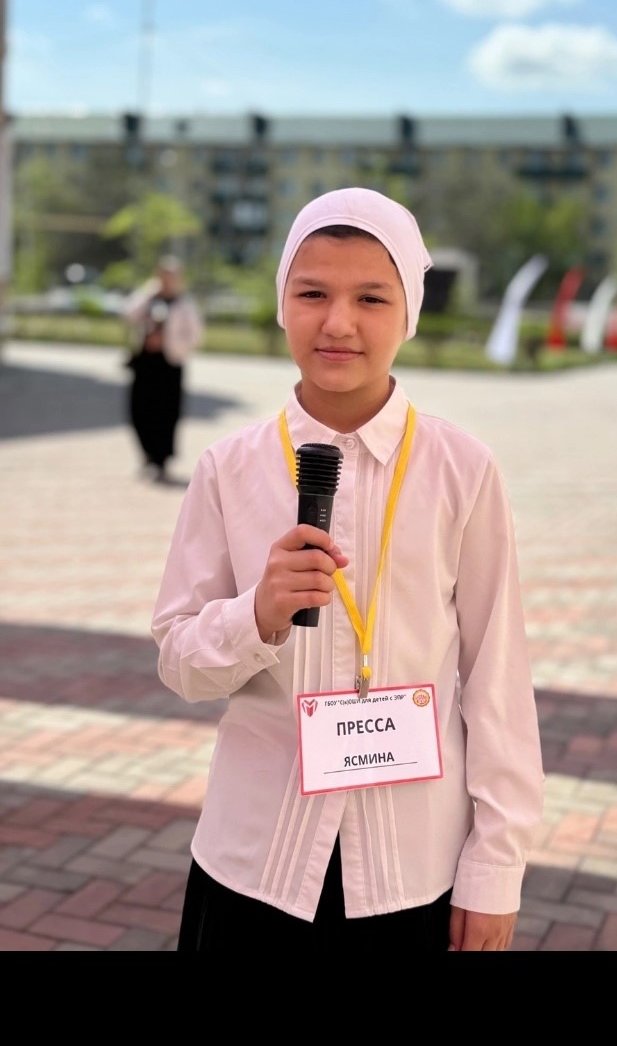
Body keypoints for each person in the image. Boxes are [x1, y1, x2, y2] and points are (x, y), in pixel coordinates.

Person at [151, 188, 545, 952]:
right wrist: (255, 615)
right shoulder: (229, 469)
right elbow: (179, 661)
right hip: (252, 865)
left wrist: (496, 867)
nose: (338, 323)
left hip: (412, 872)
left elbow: (497, 677)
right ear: (282, 304)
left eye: (371, 297)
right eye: (312, 294)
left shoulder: (462, 470)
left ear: (410, 313)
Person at [123, 255, 203, 482]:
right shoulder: (150, 298)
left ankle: (161, 460)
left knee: (166, 413)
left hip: (169, 365)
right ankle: (147, 454)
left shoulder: (184, 304)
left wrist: (168, 344)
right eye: (163, 276)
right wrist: (150, 291)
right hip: (145, 363)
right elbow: (129, 313)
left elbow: (195, 336)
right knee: (139, 410)